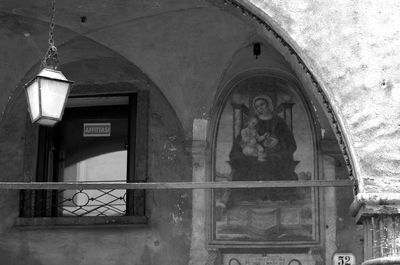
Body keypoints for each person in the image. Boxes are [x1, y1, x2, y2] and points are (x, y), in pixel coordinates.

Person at [228, 95, 299, 202]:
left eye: (262, 104)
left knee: (275, 160)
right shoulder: (253, 122)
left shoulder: (279, 122)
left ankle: (275, 195)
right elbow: (242, 140)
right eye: (257, 107)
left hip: (275, 152)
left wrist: (277, 142)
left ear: (268, 105)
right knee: (246, 162)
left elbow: (290, 142)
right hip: (256, 151)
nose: (260, 108)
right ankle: (251, 196)